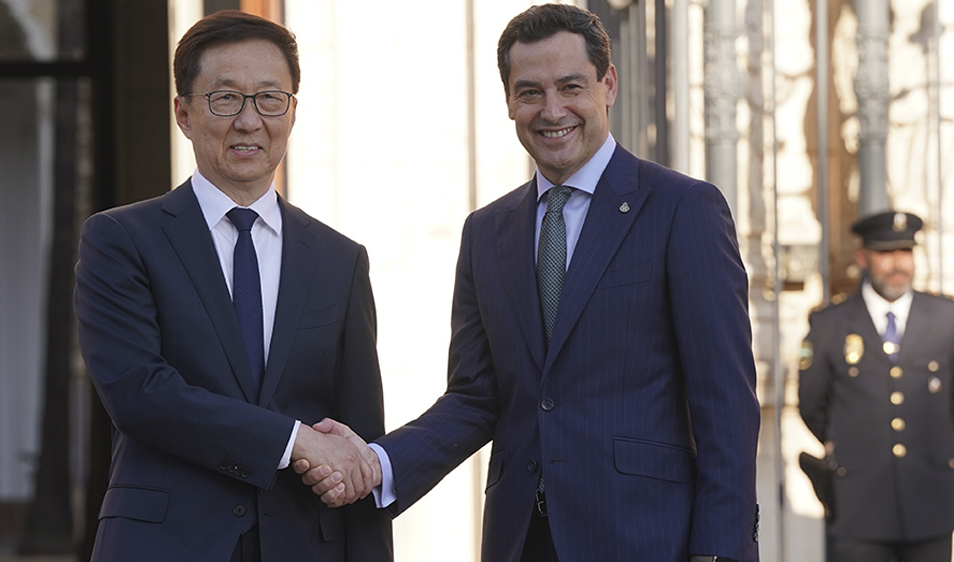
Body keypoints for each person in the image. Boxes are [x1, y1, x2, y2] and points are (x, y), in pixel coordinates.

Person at [295, 4, 760, 562]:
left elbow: (726, 405)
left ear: (608, 85)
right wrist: (379, 464)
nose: (552, 109)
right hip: (520, 540)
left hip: (647, 538)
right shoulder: (486, 231)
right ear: (509, 101)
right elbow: (474, 398)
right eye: (530, 91)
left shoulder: (684, 209)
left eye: (571, 87)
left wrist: (720, 552)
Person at [73, 10, 391, 562]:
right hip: (164, 544)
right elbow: (141, 394)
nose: (250, 121)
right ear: (184, 113)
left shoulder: (340, 260)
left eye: (271, 98)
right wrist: (293, 441)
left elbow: (355, 446)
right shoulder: (121, 239)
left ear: (293, 113)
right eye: (225, 99)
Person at [798, 210, 954, 562]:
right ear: (862, 257)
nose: (897, 263)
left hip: (931, 500)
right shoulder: (830, 323)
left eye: (905, 252)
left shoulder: (946, 319)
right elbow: (812, 402)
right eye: (886, 253)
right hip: (858, 505)